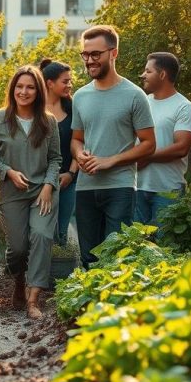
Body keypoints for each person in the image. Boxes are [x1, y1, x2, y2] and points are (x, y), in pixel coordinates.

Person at [71, 25, 155, 266]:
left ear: (113, 53)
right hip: (85, 187)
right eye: (85, 55)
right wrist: (80, 154)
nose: (89, 61)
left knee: (115, 256)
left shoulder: (134, 95)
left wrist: (111, 160)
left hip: (121, 186)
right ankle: (90, 305)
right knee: (88, 256)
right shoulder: (81, 96)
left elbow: (149, 144)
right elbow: (76, 139)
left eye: (95, 54)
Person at [0, 65, 61, 318]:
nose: (23, 92)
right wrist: (8, 172)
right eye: (19, 86)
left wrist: (49, 186)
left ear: (38, 92)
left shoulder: (48, 121)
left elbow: (56, 159)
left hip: (42, 193)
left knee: (41, 236)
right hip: (12, 192)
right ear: (12, 89)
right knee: (17, 247)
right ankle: (18, 280)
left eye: (30, 87)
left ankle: (33, 300)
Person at [135, 53, 191, 225]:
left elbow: (181, 147)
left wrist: (145, 156)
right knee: (133, 246)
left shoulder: (184, 106)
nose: (143, 75)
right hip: (137, 187)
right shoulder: (142, 103)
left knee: (165, 248)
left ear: (162, 75)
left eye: (148, 71)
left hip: (168, 191)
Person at [40, 59, 79, 246]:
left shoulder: (73, 109)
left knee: (61, 233)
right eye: (65, 81)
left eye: (70, 81)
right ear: (49, 83)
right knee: (43, 231)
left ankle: (60, 273)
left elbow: (81, 143)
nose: (69, 85)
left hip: (68, 181)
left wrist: (71, 174)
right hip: (39, 181)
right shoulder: (34, 110)